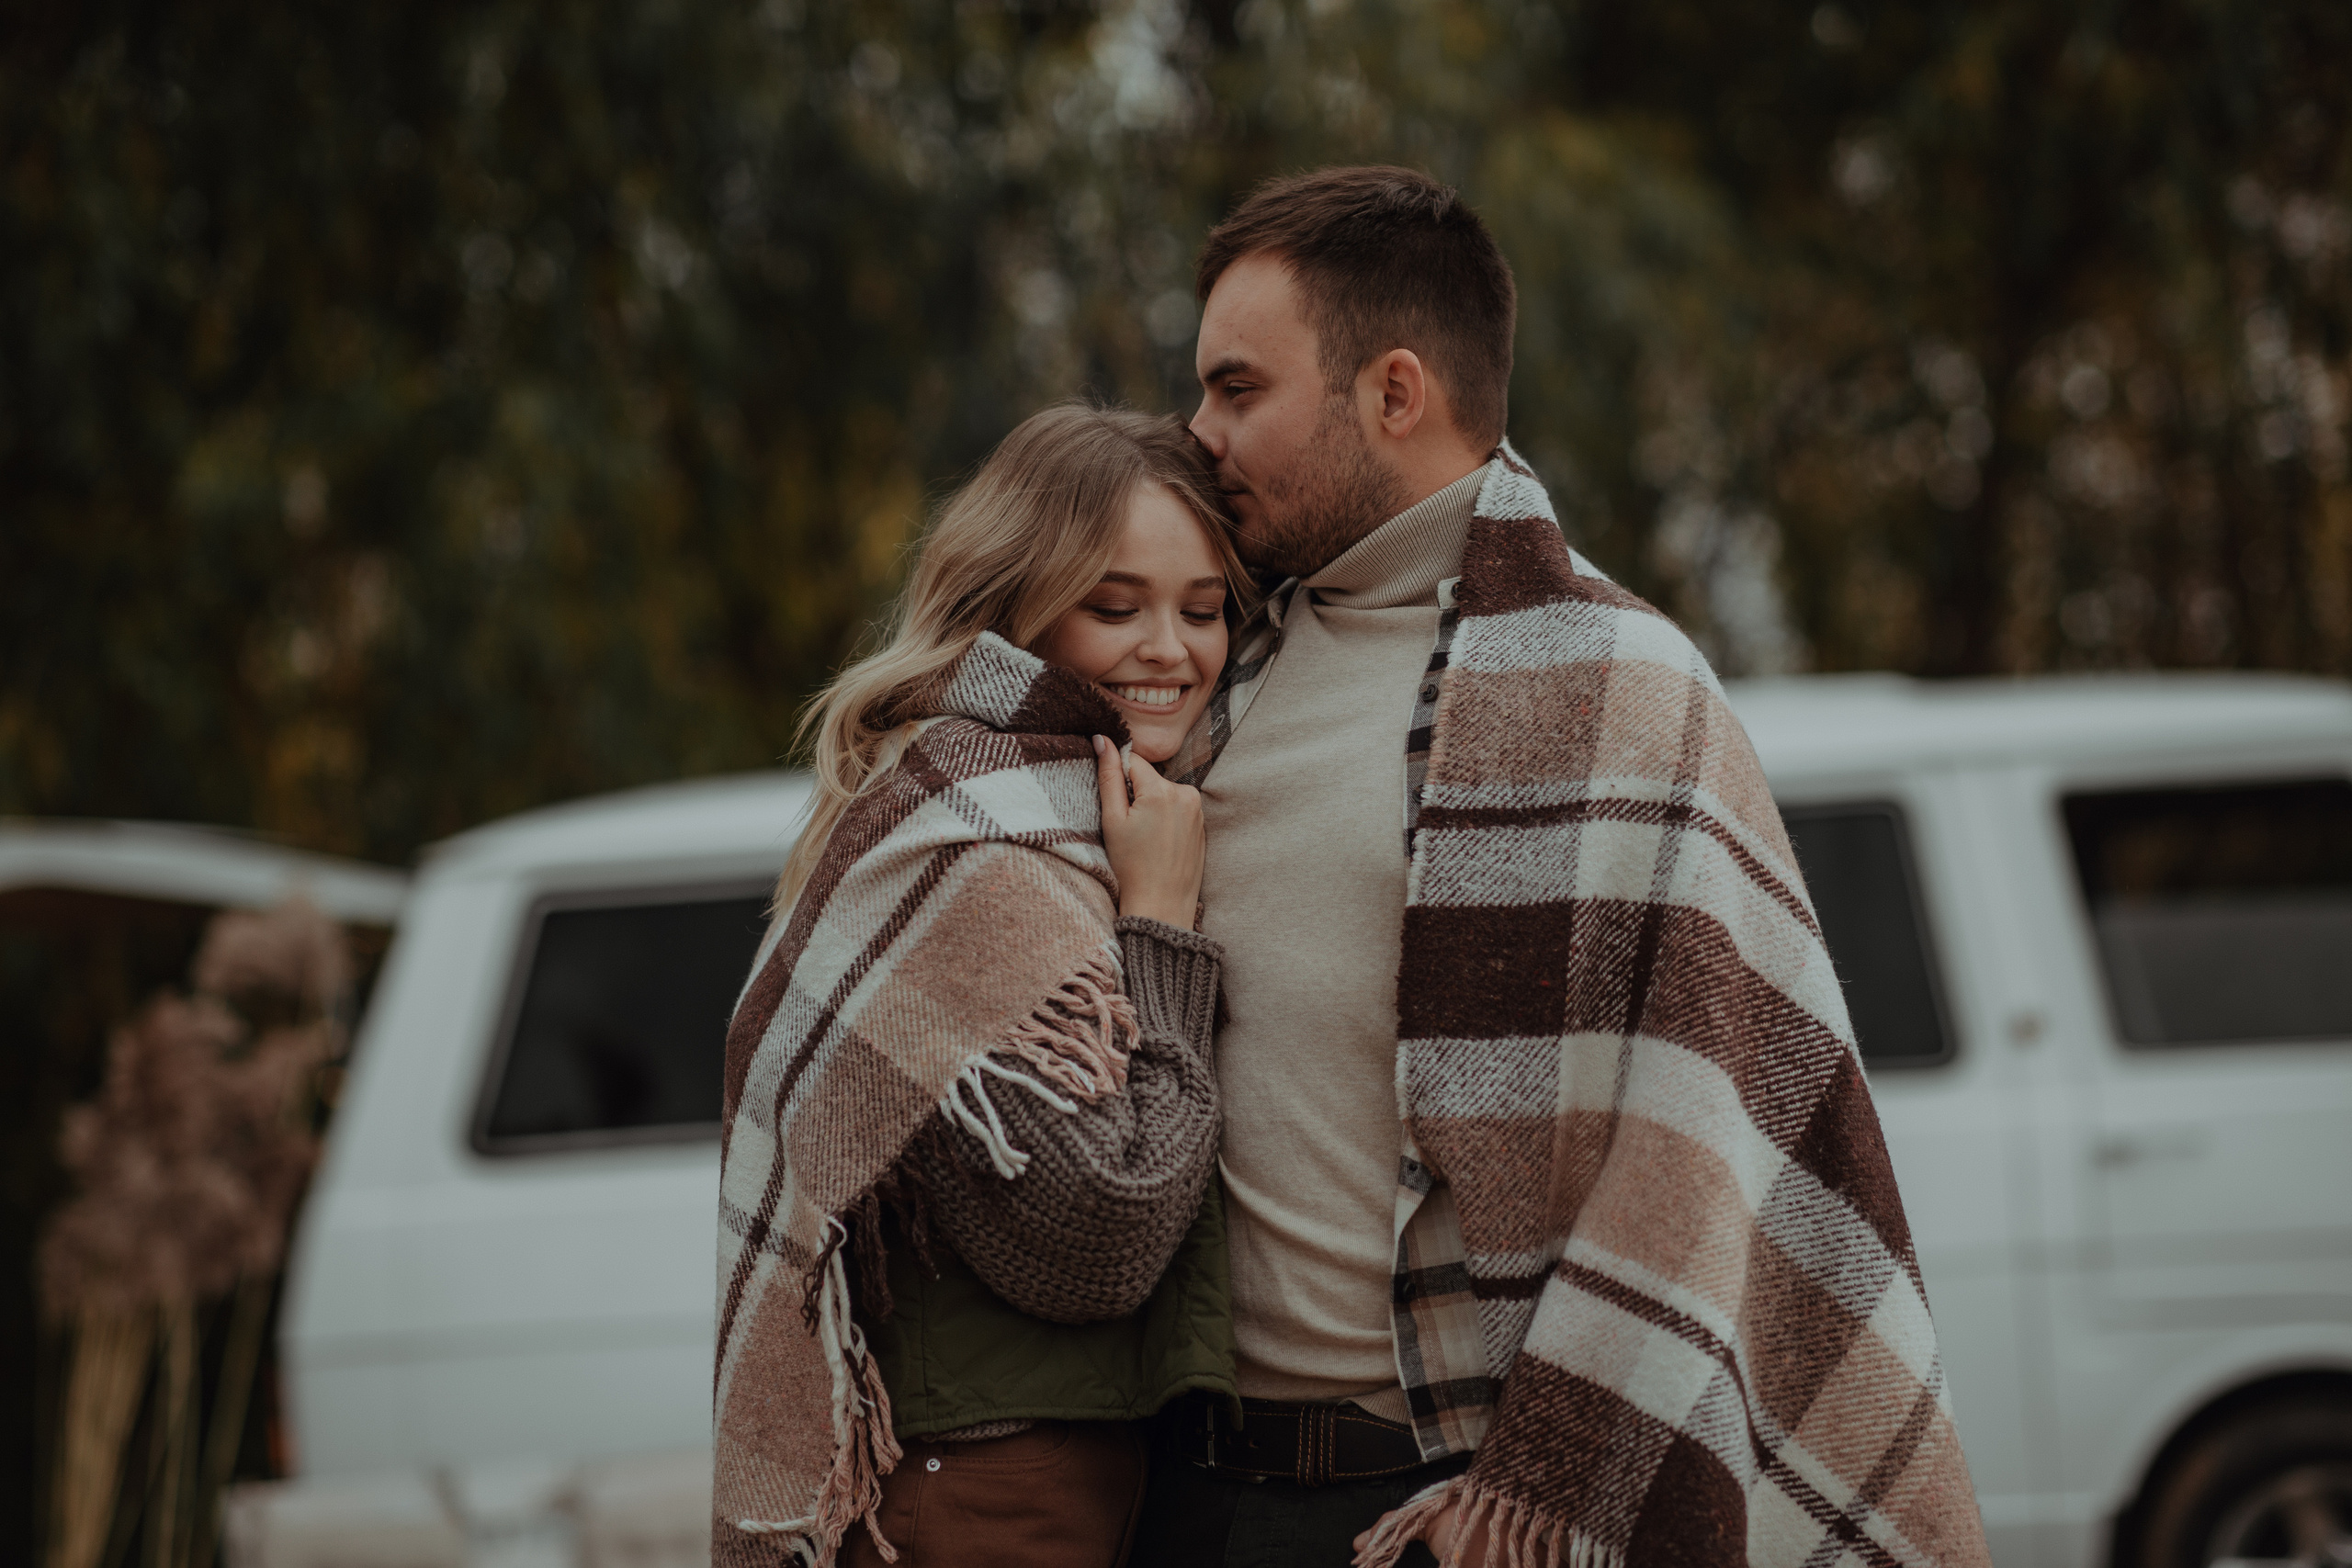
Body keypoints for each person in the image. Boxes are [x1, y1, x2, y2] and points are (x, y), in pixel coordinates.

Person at [1133, 167, 1994, 1568]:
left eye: (1238, 388)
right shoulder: (1200, 661)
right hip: (1183, 1497)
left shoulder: (1625, 686)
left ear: (1393, 391)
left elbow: (1703, 1125)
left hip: (1458, 1510)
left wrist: (1543, 1478)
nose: (1198, 430)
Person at [712, 403, 1255, 1568]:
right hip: (984, 1505)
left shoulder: (1060, 807)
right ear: (1014, 606)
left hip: (1070, 1485)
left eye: (1203, 609)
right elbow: (1095, 1228)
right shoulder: (971, 846)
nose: (1170, 648)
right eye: (1116, 607)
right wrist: (1158, 924)